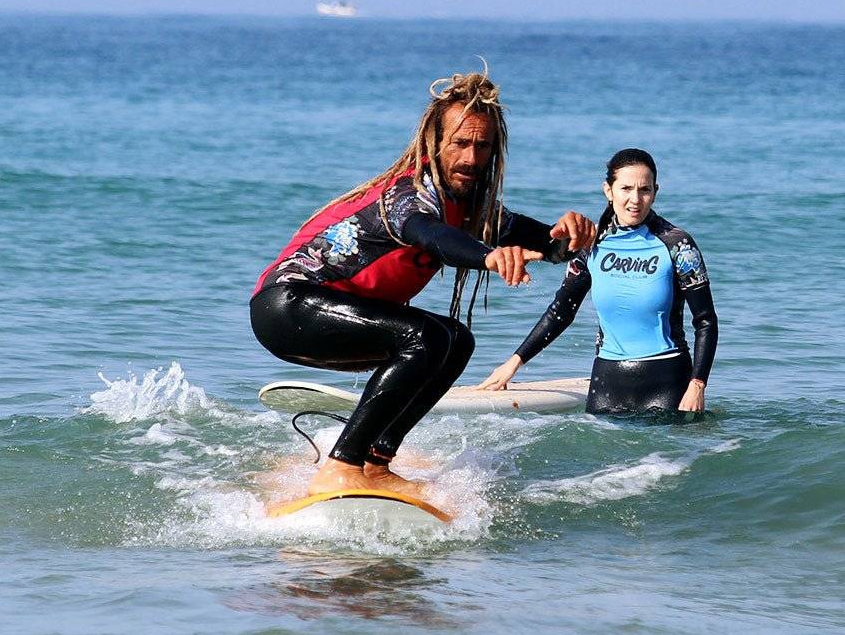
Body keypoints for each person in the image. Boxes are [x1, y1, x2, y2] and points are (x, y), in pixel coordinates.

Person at [250, 71, 596, 497]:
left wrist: (572, 234)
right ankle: (341, 466)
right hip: (287, 306)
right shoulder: (406, 196)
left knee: (455, 339)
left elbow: (549, 244)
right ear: (434, 143)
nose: (471, 157)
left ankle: (375, 462)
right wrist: (487, 255)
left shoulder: (476, 210)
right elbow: (432, 236)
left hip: (332, 311)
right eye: (460, 143)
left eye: (481, 145)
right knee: (424, 336)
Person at [480, 148, 718, 414]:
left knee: (662, 457)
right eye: (626, 188)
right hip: (607, 382)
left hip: (667, 380)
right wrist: (513, 364)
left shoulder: (677, 245)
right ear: (609, 190)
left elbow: (705, 320)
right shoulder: (592, 246)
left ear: (655, 191)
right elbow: (562, 311)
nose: (635, 199)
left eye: (645, 190)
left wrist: (697, 385)